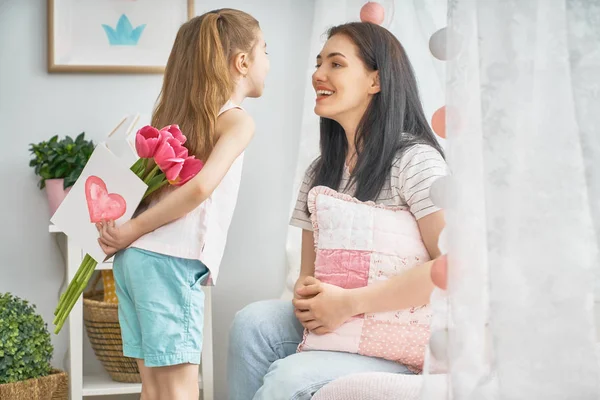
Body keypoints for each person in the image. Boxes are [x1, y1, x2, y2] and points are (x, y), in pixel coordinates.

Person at [227, 21, 447, 400]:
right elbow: (308, 276)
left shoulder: (415, 162)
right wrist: (309, 293)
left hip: (402, 334)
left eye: (336, 64)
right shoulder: (320, 172)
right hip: (344, 322)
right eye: (318, 63)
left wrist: (349, 303)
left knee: (286, 378)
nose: (318, 74)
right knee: (252, 324)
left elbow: (453, 268)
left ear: (375, 81)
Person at [96, 8, 270, 400]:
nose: (267, 62)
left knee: (155, 388)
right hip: (168, 263)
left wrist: (128, 235)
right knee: (179, 389)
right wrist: (131, 230)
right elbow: (198, 190)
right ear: (242, 62)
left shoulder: (179, 122)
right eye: (265, 50)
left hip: (137, 262)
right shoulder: (236, 121)